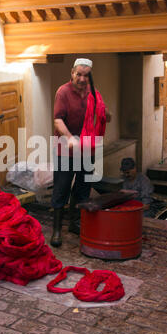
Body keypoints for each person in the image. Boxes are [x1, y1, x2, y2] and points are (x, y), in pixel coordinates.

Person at [50, 58, 111, 247]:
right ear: (72, 73)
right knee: (62, 189)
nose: (82, 79)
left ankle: (75, 224)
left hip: (86, 147)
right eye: (79, 74)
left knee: (83, 188)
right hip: (65, 148)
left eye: (86, 75)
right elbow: (57, 120)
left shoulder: (94, 93)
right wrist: (69, 138)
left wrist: (106, 115)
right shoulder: (63, 92)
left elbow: (103, 114)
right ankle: (57, 231)